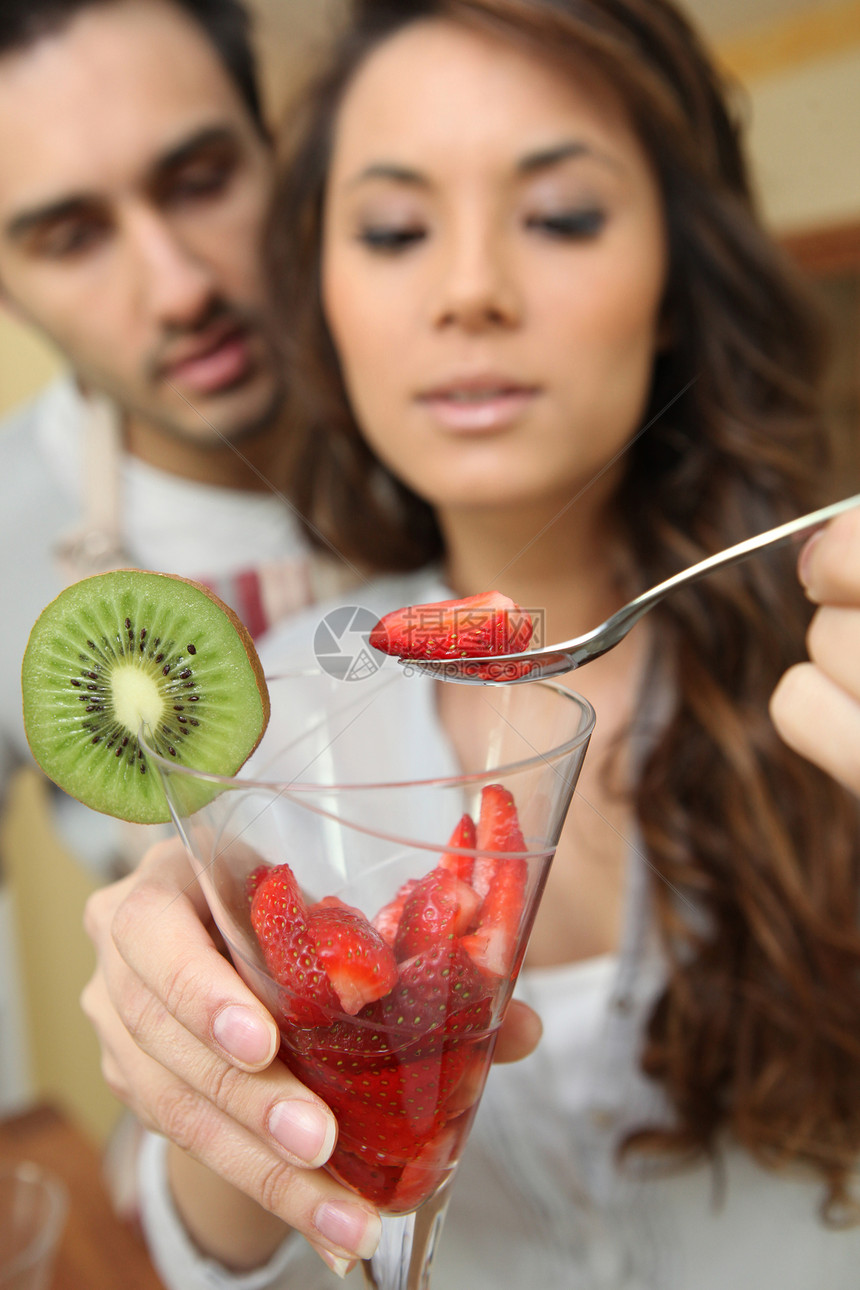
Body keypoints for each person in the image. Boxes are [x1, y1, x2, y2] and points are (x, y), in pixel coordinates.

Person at [81, 0, 860, 1285]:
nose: (468, 292)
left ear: (674, 279)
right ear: (320, 296)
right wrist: (205, 1077)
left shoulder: (828, 664)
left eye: (557, 215)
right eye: (392, 230)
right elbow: (205, 1250)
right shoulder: (252, 715)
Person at [0, 0, 354, 879]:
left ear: (279, 155)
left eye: (201, 181)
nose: (179, 289)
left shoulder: (471, 399)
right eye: (73, 238)